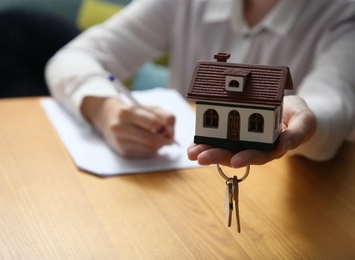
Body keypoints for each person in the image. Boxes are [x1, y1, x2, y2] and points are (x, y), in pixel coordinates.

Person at [46, 0, 355, 167]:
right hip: (187, 183)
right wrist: (104, 107)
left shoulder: (344, 13)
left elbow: (335, 98)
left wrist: (304, 119)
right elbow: (73, 58)